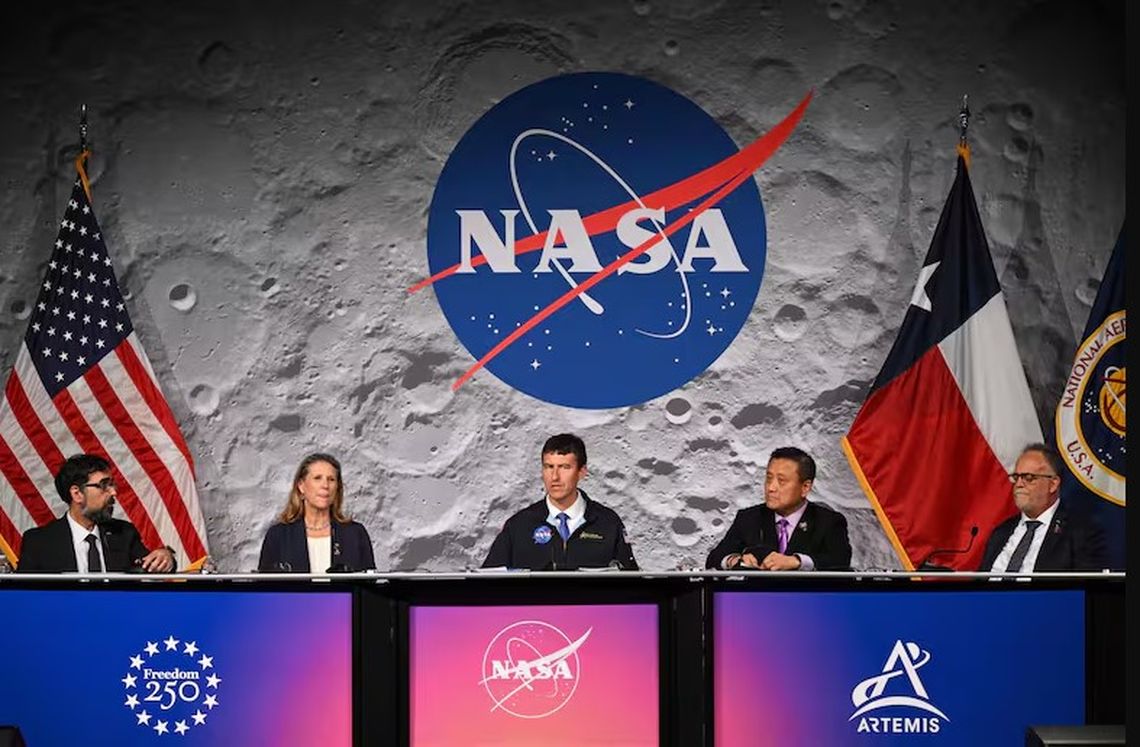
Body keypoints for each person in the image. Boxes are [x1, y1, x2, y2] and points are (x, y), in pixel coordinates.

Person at [482, 433, 638, 570]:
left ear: (582, 472)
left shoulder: (608, 523)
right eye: (549, 467)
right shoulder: (519, 525)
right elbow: (488, 582)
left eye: (564, 467)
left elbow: (631, 581)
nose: (555, 477)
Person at [16, 453, 175, 573]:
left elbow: (151, 566)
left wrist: (166, 557)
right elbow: (24, 596)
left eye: (112, 485)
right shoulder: (39, 542)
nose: (113, 492)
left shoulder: (124, 534)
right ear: (77, 494)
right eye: (104, 485)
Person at [706, 446, 852, 571]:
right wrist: (735, 560)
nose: (771, 488)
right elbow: (715, 558)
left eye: (781, 481)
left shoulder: (828, 522)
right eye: (769, 478)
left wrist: (797, 561)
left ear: (805, 487)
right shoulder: (749, 518)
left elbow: (840, 561)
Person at [978, 443, 1107, 572]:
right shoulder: (1001, 531)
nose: (1019, 484)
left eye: (1028, 478)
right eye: (1016, 477)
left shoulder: (1079, 533)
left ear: (1053, 484)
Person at [258, 453, 375, 572]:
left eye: (331, 479)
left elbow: (369, 581)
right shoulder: (278, 535)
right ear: (301, 486)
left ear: (337, 488)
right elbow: (265, 582)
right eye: (317, 478)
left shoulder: (355, 534)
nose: (325, 485)